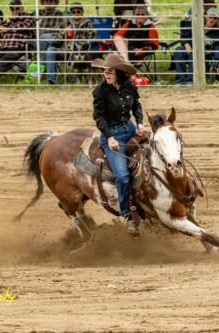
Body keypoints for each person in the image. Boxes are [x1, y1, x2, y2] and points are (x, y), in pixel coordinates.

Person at [91, 53, 145, 235]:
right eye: (104, 71)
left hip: (130, 128)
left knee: (157, 150)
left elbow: (136, 105)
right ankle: (127, 215)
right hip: (112, 134)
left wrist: (139, 122)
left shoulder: (129, 86)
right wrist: (109, 137)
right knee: (122, 177)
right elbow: (98, 117)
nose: (106, 74)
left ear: (119, 73)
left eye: (110, 71)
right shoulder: (100, 91)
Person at [0, 0, 35, 83]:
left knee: (4, 60)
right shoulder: (9, 23)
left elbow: (24, 26)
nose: (15, 11)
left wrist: (7, 29)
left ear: (22, 8)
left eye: (17, 8)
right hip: (5, 46)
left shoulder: (28, 18)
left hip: (19, 47)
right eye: (12, 9)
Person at [36, 0, 67, 84]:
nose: (48, 3)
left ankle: (42, 68)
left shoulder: (58, 13)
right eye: (46, 1)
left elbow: (58, 29)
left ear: (55, 2)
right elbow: (32, 26)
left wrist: (44, 30)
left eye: (51, 1)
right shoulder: (39, 13)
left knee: (42, 39)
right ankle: (50, 79)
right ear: (43, 2)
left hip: (54, 38)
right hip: (39, 41)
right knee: (49, 48)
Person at [65, 2, 98, 73]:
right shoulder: (68, 22)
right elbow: (62, 37)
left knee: (78, 52)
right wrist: (65, 31)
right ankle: (72, 75)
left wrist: (81, 43)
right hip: (69, 48)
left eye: (78, 11)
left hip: (83, 48)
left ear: (82, 12)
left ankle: (76, 74)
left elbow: (93, 37)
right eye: (73, 12)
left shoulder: (88, 23)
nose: (76, 13)